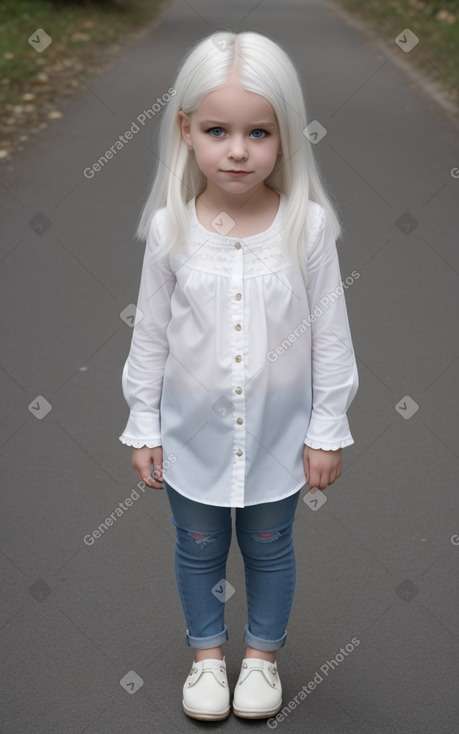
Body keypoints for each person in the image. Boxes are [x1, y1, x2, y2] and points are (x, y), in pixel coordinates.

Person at [118, 29, 359, 721]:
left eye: (258, 132)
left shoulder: (305, 228)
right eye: (218, 130)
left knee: (268, 545)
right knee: (196, 548)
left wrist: (326, 430)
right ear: (186, 130)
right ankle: (204, 659)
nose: (236, 150)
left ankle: (260, 656)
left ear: (284, 138)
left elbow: (330, 336)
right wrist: (143, 424)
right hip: (190, 433)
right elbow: (152, 336)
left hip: (278, 435)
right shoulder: (170, 230)